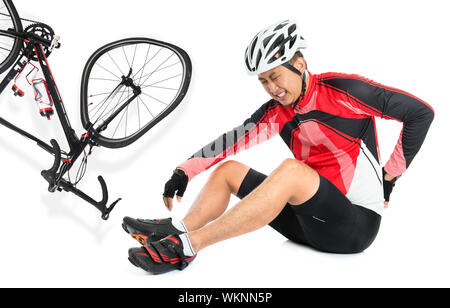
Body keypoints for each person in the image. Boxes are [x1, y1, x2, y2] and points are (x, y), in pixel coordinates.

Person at [123, 20, 434, 274]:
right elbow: (231, 141)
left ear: (299, 63)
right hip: (306, 224)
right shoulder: (276, 112)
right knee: (229, 170)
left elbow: (420, 114)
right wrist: (183, 171)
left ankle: (187, 247)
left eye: (275, 77)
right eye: (263, 82)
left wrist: (390, 177)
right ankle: (177, 230)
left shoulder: (344, 91)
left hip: (354, 228)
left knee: (291, 171)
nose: (272, 89)